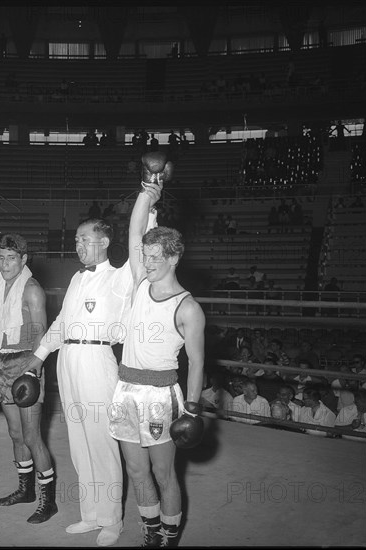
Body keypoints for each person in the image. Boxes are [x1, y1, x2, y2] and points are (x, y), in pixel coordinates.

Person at [21, 199, 159, 543]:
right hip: (67, 361)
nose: (79, 245)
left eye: (86, 239)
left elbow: (142, 245)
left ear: (105, 242)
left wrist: (150, 205)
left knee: (102, 443)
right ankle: (91, 514)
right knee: (79, 443)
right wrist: (37, 357)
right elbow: (61, 323)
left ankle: (112, 520)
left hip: (98, 362)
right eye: (77, 240)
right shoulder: (77, 278)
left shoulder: (121, 277)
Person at [107, 173, 205, 547]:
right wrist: (146, 195)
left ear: (174, 258)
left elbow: (196, 363)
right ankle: (149, 531)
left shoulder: (188, 308)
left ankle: (168, 535)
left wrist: (192, 410)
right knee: (136, 469)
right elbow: (134, 231)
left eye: (153, 258)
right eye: (144, 257)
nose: (145, 263)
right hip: (125, 389)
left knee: (165, 474)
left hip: (161, 396)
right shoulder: (139, 281)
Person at [0, 233, 57, 524]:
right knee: (15, 434)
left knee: (32, 435)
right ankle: (25, 490)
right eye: (1, 257)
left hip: (26, 360)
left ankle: (47, 501)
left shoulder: (32, 290)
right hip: (1, 361)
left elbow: (42, 333)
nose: (5, 264)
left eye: (11, 258)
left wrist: (33, 369)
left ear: (24, 259)